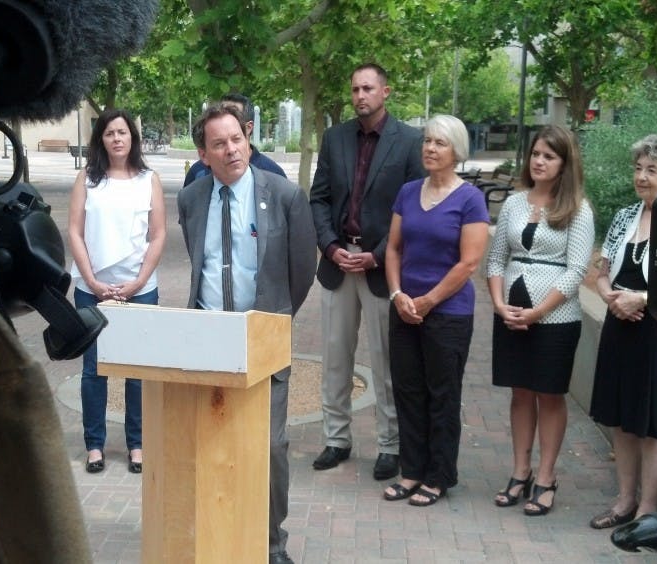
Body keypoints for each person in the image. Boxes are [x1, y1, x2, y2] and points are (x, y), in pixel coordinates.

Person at [177, 104, 316, 564]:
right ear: (203, 152)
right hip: (207, 340)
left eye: (236, 138)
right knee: (212, 441)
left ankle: (272, 545)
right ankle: (218, 534)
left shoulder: (284, 195)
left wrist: (274, 320)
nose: (231, 149)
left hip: (264, 339)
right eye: (219, 143)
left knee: (270, 446)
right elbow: (198, 264)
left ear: (248, 137)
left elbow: (302, 271)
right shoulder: (192, 198)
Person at [309, 62, 425, 481]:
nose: (360, 95)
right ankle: (336, 439)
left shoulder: (410, 142)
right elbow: (319, 199)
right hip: (339, 265)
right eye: (355, 88)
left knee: (385, 362)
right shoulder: (335, 138)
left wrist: (376, 255)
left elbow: (414, 207)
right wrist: (331, 246)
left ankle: (390, 445)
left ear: (385, 92)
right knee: (336, 359)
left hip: (381, 268)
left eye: (368, 88)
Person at [382, 115, 490, 507]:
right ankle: (411, 471)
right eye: (427, 141)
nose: (429, 148)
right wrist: (397, 294)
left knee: (442, 394)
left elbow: (468, 264)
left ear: (456, 151)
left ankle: (439, 476)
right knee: (407, 391)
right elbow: (393, 248)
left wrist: (427, 301)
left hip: (447, 313)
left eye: (439, 143)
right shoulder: (409, 192)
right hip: (405, 308)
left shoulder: (470, 199)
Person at [486, 124, 594, 516]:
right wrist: (499, 304)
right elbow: (496, 258)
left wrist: (538, 311)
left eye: (549, 156)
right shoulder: (514, 204)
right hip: (511, 309)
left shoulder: (578, 208)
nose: (539, 161)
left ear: (565, 164)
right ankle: (520, 471)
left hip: (556, 317)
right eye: (535, 154)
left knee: (549, 394)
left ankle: (546, 476)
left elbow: (577, 269)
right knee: (519, 393)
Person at [588, 135, 657, 528]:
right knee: (620, 417)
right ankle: (623, 501)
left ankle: (648, 511)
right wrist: (611, 297)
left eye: (652, 170)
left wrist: (642, 299)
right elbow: (601, 276)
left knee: (655, 422)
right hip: (622, 330)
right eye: (638, 168)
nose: (642, 177)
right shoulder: (623, 217)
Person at [68, 109, 166, 474]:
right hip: (92, 290)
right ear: (101, 139)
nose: (117, 139)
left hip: (139, 289)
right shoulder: (87, 180)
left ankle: (136, 444)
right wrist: (91, 280)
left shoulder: (148, 179)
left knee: (136, 371)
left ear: (132, 138)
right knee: (94, 370)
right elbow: (75, 231)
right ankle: (94, 445)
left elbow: (158, 235)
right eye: (109, 133)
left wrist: (139, 281)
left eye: (123, 132)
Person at [183, 93, 287, 186]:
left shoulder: (273, 174)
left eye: (233, 115)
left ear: (248, 128)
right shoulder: (198, 173)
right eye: (220, 113)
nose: (224, 120)